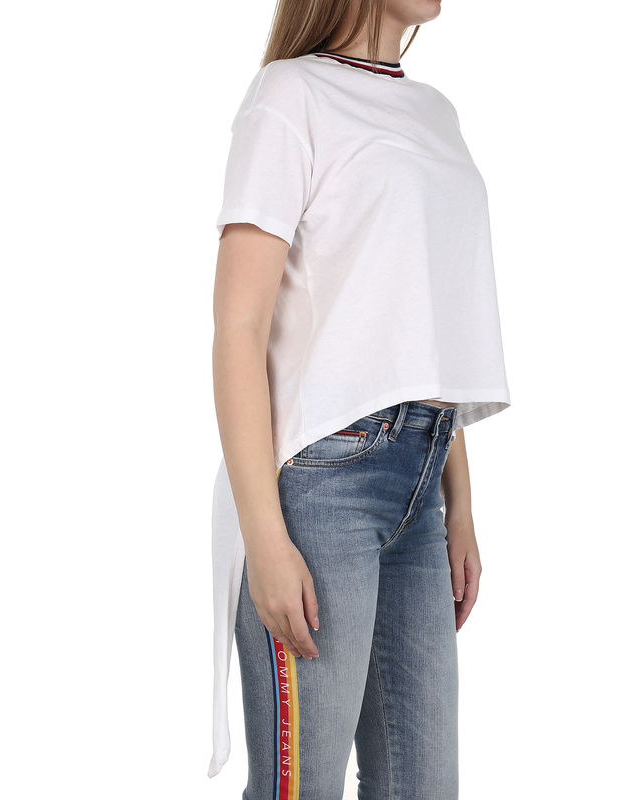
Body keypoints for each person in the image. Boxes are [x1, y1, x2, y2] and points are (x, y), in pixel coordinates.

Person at [209, 1, 511, 796]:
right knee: (301, 787)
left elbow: (421, 333)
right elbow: (239, 329)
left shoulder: (435, 112)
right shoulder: (290, 95)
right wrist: (264, 541)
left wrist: (460, 508)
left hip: (423, 483)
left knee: (422, 786)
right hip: (322, 490)